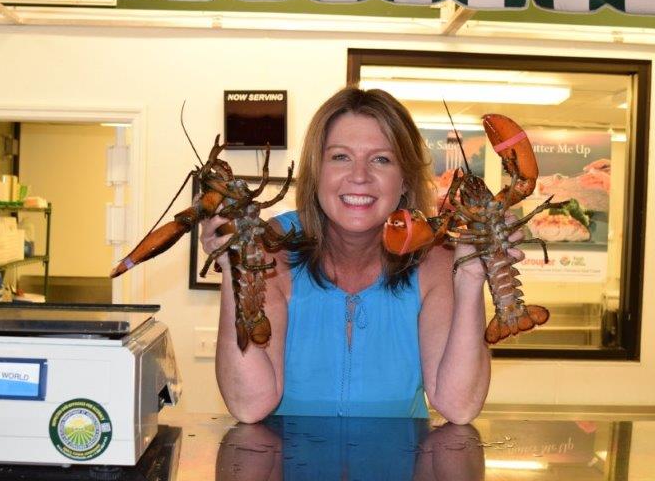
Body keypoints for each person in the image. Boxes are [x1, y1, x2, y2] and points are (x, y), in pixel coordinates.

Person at [200, 87, 494, 424]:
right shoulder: (270, 251)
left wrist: (472, 276)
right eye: (340, 157)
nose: (359, 176)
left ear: (405, 181)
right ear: (316, 173)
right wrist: (234, 269)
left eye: (381, 159)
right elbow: (248, 405)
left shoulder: (435, 258)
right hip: (289, 470)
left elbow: (459, 406)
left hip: (399, 469)